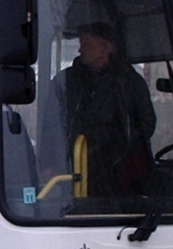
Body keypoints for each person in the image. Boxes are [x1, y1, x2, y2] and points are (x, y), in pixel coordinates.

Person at [61, 22, 157, 197]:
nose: (80, 50)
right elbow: (51, 123)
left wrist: (116, 144)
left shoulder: (129, 82)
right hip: (72, 165)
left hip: (118, 170)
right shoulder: (66, 81)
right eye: (80, 44)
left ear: (105, 46)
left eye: (86, 44)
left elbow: (147, 124)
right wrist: (49, 163)